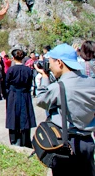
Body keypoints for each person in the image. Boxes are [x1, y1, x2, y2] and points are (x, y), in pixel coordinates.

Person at [36, 44, 95, 176]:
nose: (49, 67)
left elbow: (41, 100)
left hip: (65, 144)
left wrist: (45, 77)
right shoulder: (91, 82)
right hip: (87, 142)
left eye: (50, 62)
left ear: (59, 63)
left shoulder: (59, 87)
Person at [5, 49, 36, 147]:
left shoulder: (11, 69)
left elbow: (6, 83)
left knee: (13, 116)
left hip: (13, 94)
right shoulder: (28, 70)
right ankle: (25, 140)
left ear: (13, 58)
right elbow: (30, 83)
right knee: (25, 116)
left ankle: (14, 140)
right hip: (24, 94)